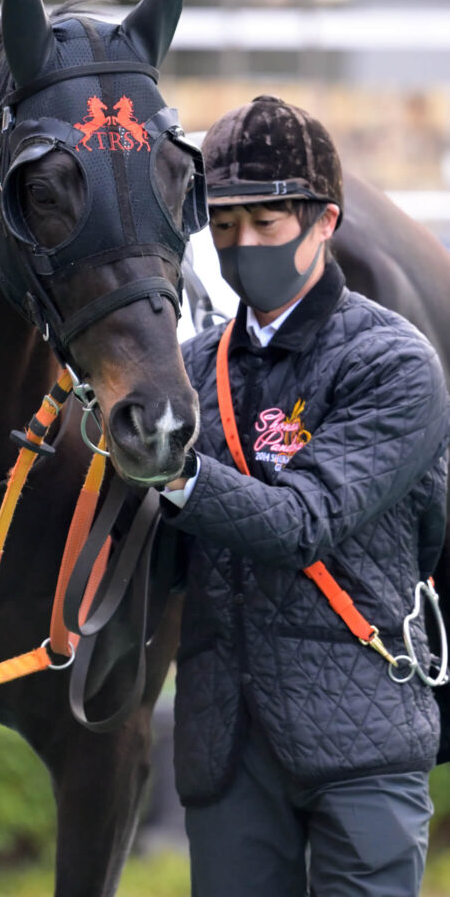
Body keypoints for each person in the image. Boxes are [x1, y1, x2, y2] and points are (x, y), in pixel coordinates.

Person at [160, 95, 449, 896]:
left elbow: (301, 524)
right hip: (224, 750)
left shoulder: (394, 364)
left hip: (360, 733)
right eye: (223, 225)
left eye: (266, 222)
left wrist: (173, 474)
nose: (240, 244)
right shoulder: (184, 371)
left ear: (324, 221)